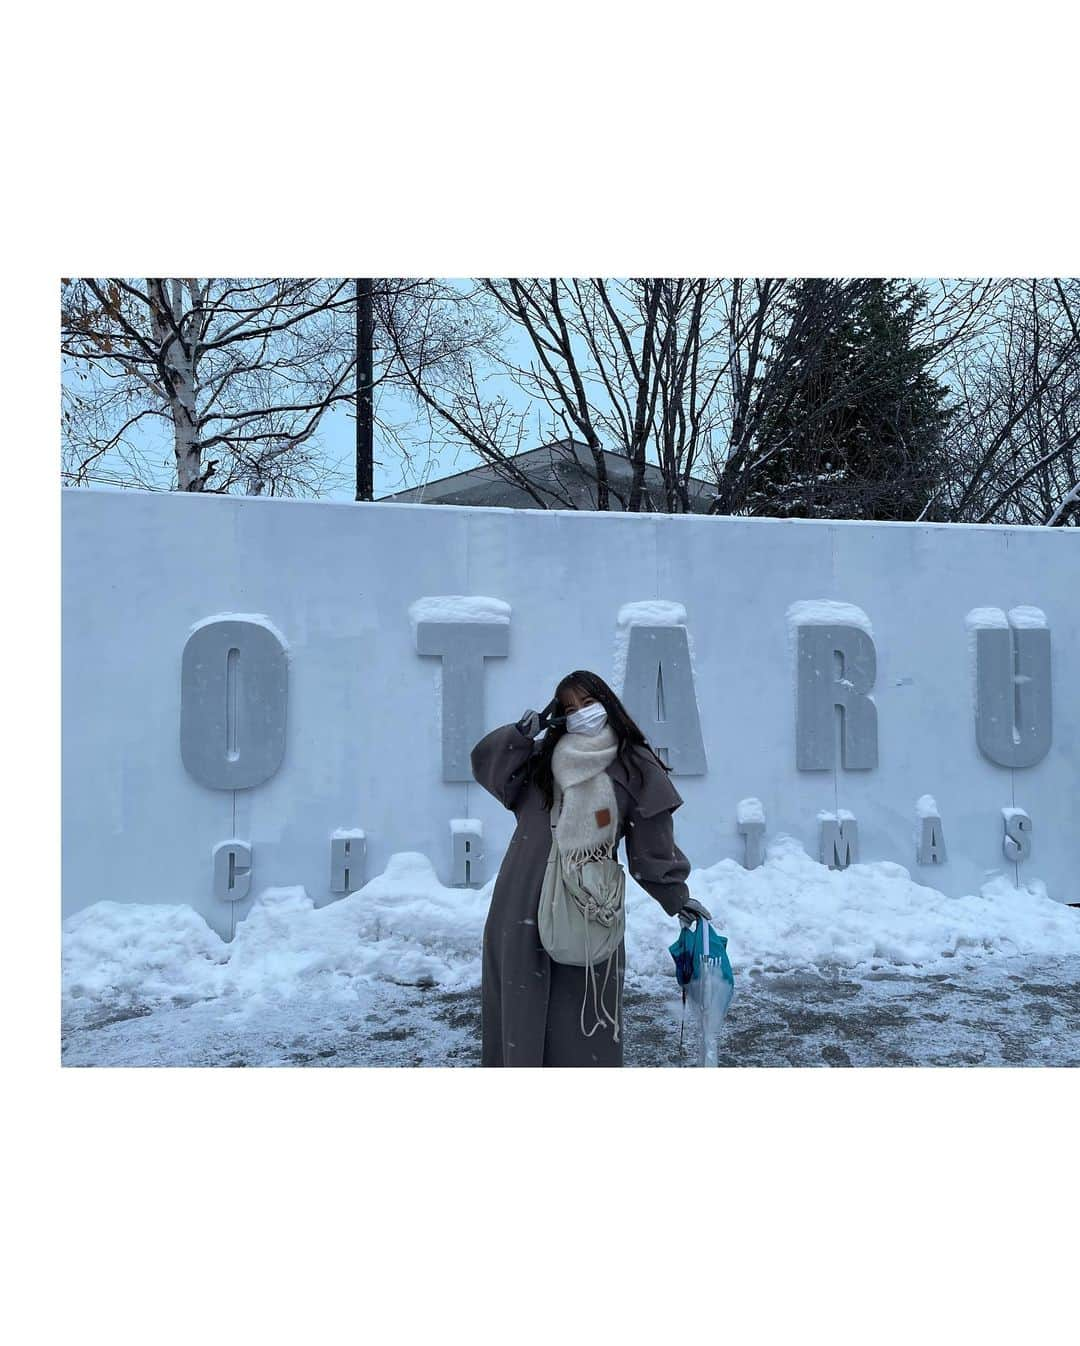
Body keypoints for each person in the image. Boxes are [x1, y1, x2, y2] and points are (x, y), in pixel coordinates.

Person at [470, 668, 710, 1067]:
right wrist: (520, 734)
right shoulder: (541, 760)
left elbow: (652, 846)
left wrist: (677, 898)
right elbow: (486, 767)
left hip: (587, 906)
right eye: (569, 708)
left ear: (607, 704)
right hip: (520, 902)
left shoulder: (634, 766)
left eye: (587, 702)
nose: (581, 713)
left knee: (583, 1020)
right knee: (520, 1014)